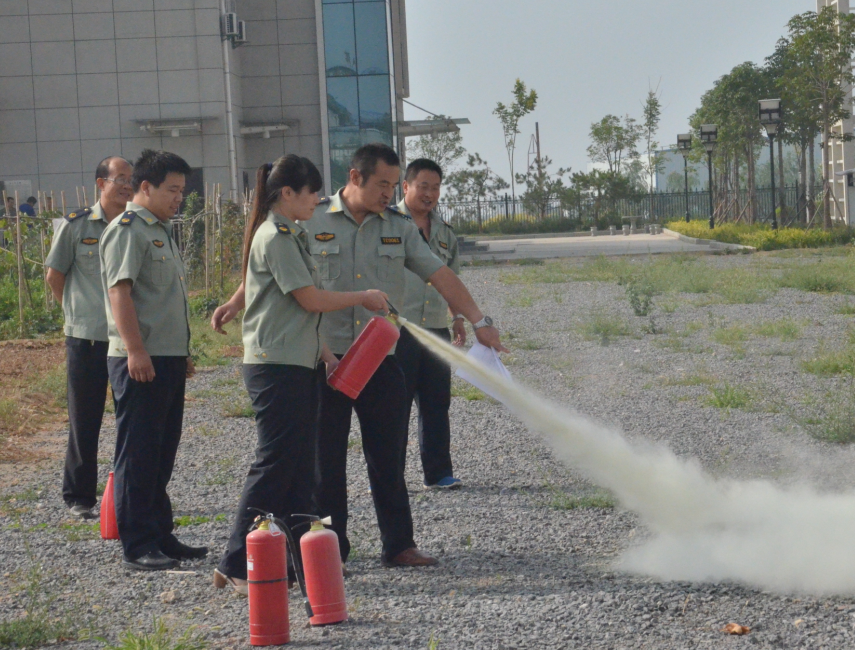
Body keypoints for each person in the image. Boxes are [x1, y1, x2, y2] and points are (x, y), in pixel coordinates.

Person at [212, 143, 507, 570]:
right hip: (324, 358)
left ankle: (399, 544)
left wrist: (479, 320)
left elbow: (439, 273)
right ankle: (331, 550)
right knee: (324, 462)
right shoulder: (310, 215)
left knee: (388, 454)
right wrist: (236, 301)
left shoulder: (400, 228)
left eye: (394, 185)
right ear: (355, 177)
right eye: (382, 184)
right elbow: (279, 267)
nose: (389, 193)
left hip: (379, 356)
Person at [212, 155, 389, 595]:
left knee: (300, 470)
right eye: (311, 192)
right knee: (275, 464)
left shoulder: (292, 233)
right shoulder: (275, 236)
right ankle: (234, 562)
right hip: (275, 366)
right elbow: (309, 300)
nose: (317, 200)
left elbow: (295, 311)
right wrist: (362, 297)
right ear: (287, 193)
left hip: (298, 362)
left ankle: (301, 563)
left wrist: (326, 355)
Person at [100, 149, 205, 571]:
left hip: (166, 358)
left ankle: (161, 534)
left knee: (162, 452)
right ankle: (138, 543)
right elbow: (119, 292)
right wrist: (136, 349)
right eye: (172, 190)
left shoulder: (160, 230)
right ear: (145, 187)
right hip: (140, 360)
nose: (179, 198)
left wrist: (180, 353)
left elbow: (163, 301)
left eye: (182, 191)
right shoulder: (128, 231)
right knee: (139, 453)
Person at [45, 156, 134, 519]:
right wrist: (78, 314)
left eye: (131, 179)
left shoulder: (135, 225)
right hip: (88, 338)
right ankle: (79, 496)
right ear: (101, 183)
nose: (127, 185)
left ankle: (129, 495)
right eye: (120, 179)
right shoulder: (76, 225)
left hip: (128, 341)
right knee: (85, 418)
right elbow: (55, 275)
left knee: (133, 419)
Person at [394, 158, 465, 490]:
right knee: (393, 407)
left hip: (436, 326)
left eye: (435, 188)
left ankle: (438, 473)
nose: (430, 194)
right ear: (406, 186)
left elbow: (452, 279)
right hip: (398, 329)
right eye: (423, 186)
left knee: (437, 403)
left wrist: (458, 316)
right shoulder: (387, 225)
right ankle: (389, 477)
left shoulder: (445, 233)